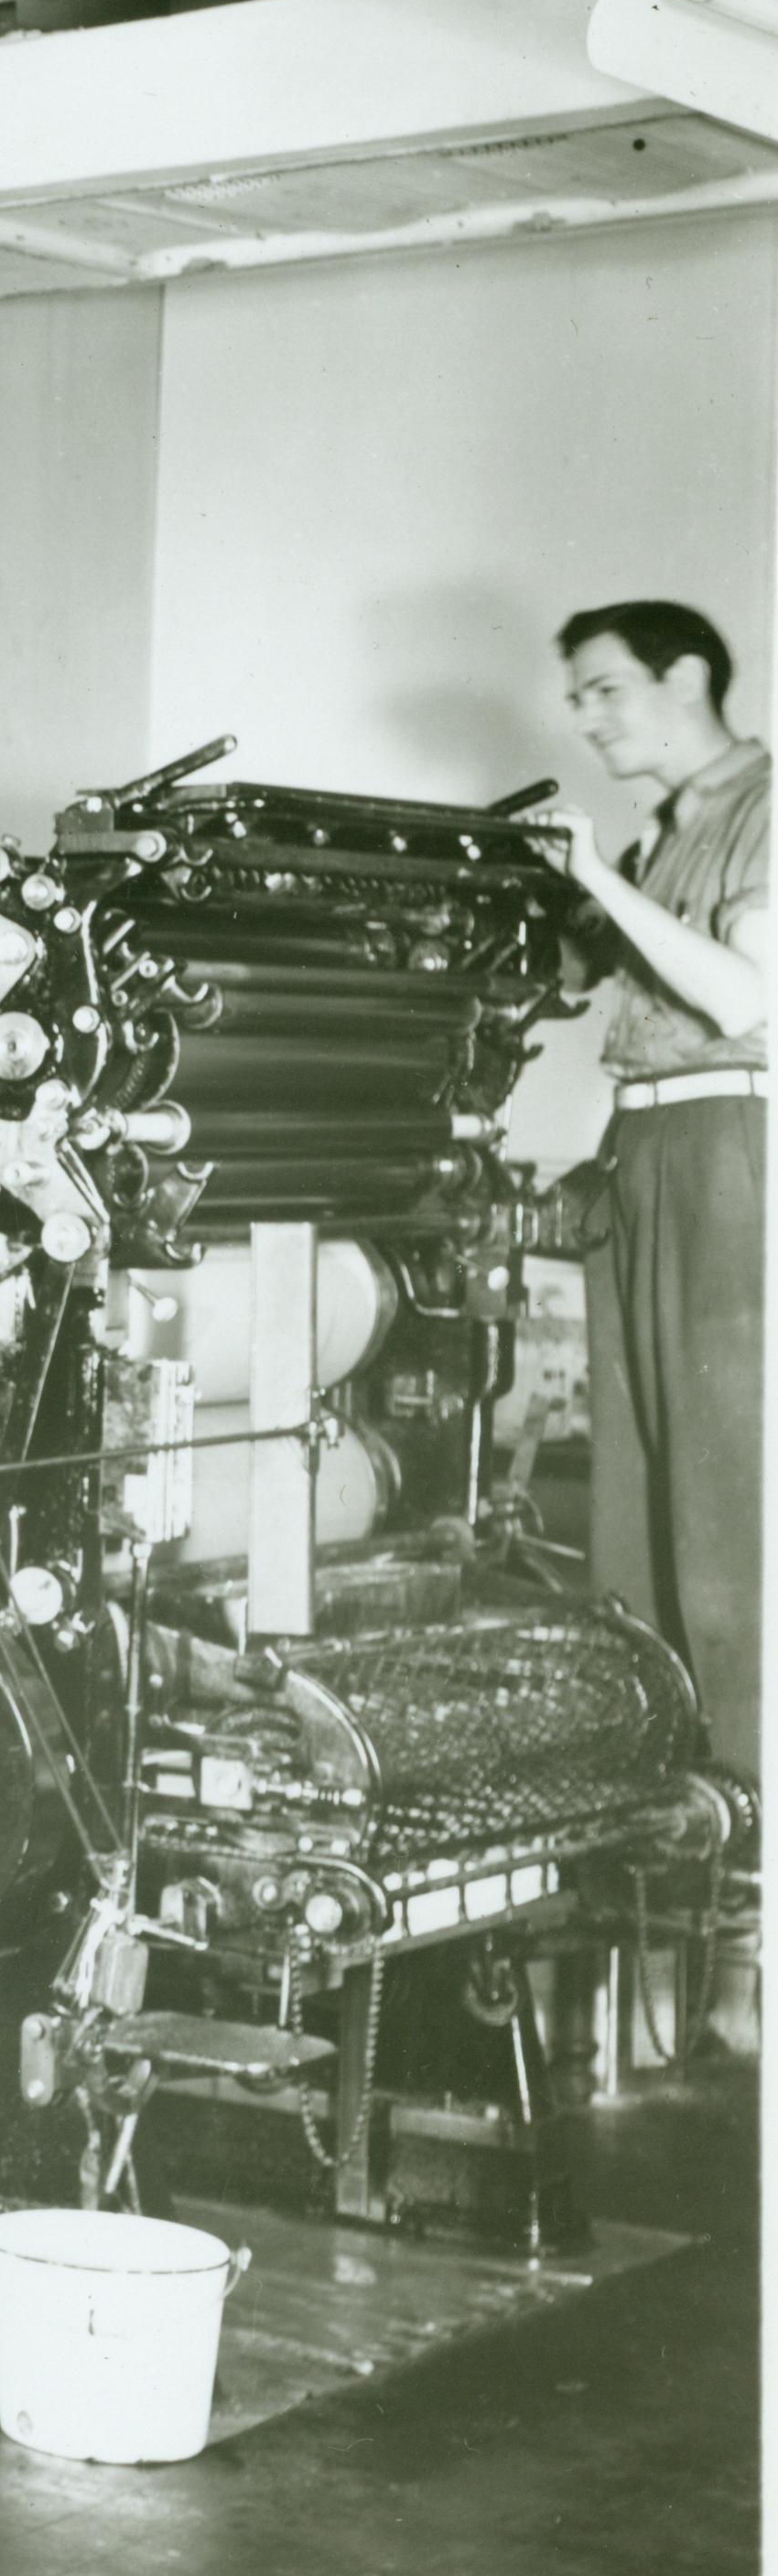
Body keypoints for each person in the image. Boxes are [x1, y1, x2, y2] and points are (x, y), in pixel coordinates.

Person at [538, 600, 765, 1784]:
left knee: (728, 1501)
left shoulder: (765, 810)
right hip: (640, 1157)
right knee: (629, 1503)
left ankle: (745, 1817)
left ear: (686, 678)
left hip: (732, 1153)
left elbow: (742, 1001)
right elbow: (567, 971)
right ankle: (651, 1789)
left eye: (605, 689)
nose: (585, 718)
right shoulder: (658, 835)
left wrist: (593, 880)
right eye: (576, 696)